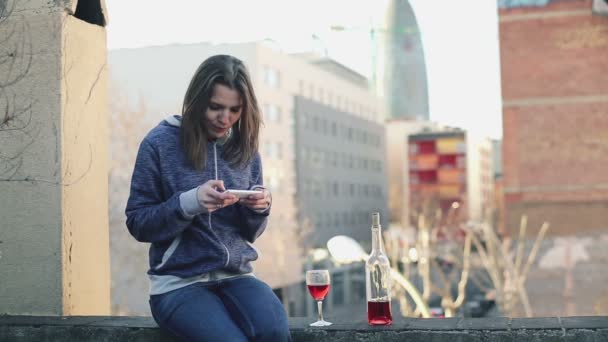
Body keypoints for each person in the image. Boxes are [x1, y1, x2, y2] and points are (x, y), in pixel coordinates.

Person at [125, 54, 291, 342]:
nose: (225, 119)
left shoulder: (245, 149)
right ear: (198, 99)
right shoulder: (159, 143)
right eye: (215, 107)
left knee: (274, 332)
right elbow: (138, 223)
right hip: (177, 285)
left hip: (237, 276)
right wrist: (189, 204)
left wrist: (259, 208)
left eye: (234, 110)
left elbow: (251, 233)